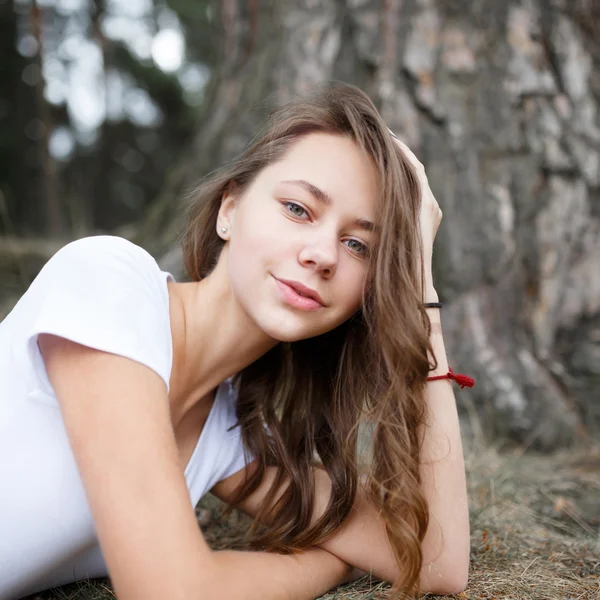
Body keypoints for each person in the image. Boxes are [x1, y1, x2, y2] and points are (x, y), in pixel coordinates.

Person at [0, 82, 471, 600]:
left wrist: (422, 296)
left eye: (359, 244)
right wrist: (328, 568)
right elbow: (168, 589)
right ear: (230, 209)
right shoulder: (107, 282)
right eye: (298, 209)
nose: (323, 254)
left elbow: (438, 565)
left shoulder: (230, 437)